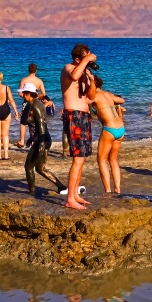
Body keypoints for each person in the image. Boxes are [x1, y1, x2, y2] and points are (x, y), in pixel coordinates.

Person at [60, 43, 97, 210]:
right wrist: (87, 60)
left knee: (82, 158)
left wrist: (92, 80)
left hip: (84, 115)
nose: (89, 58)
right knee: (77, 158)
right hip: (73, 115)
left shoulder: (83, 73)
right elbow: (74, 76)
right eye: (86, 57)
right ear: (77, 59)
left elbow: (91, 96)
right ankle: (69, 199)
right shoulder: (69, 68)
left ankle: (75, 194)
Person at [19, 83, 66, 195]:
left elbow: (41, 124)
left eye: (24, 93)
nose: (22, 95)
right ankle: (61, 186)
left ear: (29, 94)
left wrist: (40, 142)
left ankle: (32, 192)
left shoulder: (36, 105)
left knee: (28, 167)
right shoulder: (31, 104)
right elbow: (25, 121)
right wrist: (31, 138)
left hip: (42, 140)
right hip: (42, 139)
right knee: (40, 168)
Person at [91, 75, 125, 193]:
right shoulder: (108, 94)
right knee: (113, 160)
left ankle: (108, 190)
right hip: (120, 129)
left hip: (109, 129)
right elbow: (121, 100)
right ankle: (118, 189)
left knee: (101, 160)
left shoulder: (93, 96)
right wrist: (115, 105)